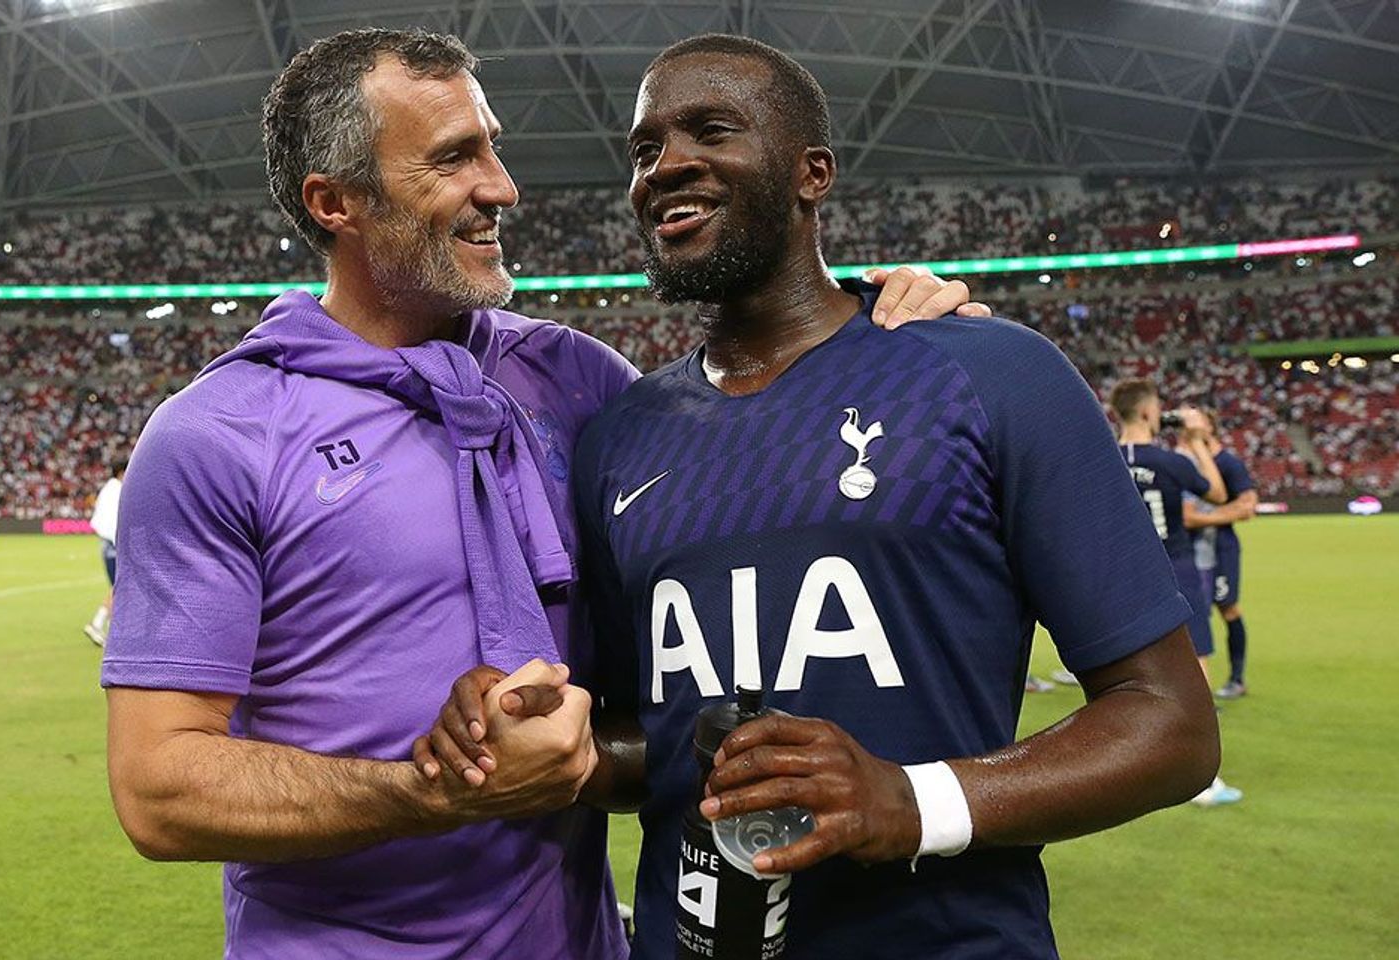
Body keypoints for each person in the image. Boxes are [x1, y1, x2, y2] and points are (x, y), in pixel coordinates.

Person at [101, 27, 984, 959]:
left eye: (491, 145)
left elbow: (737, 557)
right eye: (453, 159)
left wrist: (885, 327)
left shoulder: (578, 382)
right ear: (336, 202)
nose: (502, 187)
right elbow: (160, 789)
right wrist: (430, 791)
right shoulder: (220, 433)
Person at [429, 34, 1221, 960]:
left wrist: (908, 800)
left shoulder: (992, 376)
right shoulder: (620, 436)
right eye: (645, 150)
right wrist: (539, 737)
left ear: (813, 174)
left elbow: (1170, 723)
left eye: (711, 130)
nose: (666, 166)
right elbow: (650, 733)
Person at [1110, 379, 1243, 807]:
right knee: (1196, 663)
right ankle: (1202, 778)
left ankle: (1125, 765)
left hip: (1123, 571)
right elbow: (1218, 493)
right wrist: (1197, 440)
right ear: (1151, 414)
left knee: (1125, 669)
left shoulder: (1102, 457)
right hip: (1175, 569)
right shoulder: (1168, 461)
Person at [1184, 411, 1258, 698]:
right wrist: (1225, 513)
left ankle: (1236, 678)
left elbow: (1248, 506)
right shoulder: (1183, 461)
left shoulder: (1227, 463)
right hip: (1188, 550)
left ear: (1211, 426)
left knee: (1228, 608)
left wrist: (1206, 516)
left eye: (1196, 419)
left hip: (1221, 547)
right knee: (1193, 615)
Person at [84, 458, 125, 646]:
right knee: (120, 586)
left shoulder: (108, 489)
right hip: (115, 544)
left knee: (119, 587)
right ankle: (97, 622)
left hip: (107, 544)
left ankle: (112, 627)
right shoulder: (117, 490)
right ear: (121, 473)